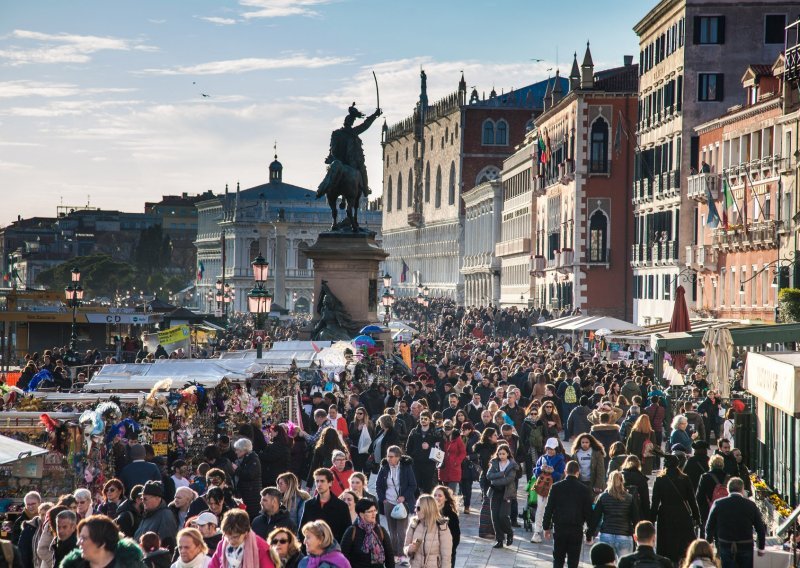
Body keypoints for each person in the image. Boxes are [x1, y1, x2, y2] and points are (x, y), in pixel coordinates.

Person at [321, 101, 382, 200]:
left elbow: (332, 148)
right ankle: (366, 189)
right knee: (363, 170)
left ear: (345, 122)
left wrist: (331, 157)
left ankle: (323, 189)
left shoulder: (336, 133)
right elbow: (365, 125)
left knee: (329, 174)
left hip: (337, 160)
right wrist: (375, 115)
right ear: (351, 123)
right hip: (351, 162)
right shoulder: (352, 132)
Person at [542, 460, 594, 568]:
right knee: (573, 562)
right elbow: (588, 513)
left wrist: (546, 527)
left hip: (560, 528)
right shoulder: (584, 489)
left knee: (558, 559)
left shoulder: (556, 487)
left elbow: (549, 508)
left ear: (565, 471)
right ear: (578, 472)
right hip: (576, 529)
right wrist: (589, 533)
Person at [705, 477, 766, 568]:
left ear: (728, 489)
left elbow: (709, 526)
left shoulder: (718, 504)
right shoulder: (750, 505)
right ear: (742, 489)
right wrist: (761, 548)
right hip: (745, 545)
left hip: (726, 544)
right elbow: (760, 528)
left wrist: (709, 543)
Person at [651, 454, 701, 564]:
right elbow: (692, 500)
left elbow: (655, 502)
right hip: (682, 513)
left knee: (666, 544)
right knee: (682, 545)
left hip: (665, 515)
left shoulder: (660, 480)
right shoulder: (685, 478)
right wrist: (697, 517)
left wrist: (651, 519)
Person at [375, 446, 416, 566]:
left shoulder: (406, 467)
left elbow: (412, 485)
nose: (389, 458)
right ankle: (393, 554)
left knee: (401, 531)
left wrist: (404, 497)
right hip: (388, 502)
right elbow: (378, 485)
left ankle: (402, 554)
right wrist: (383, 499)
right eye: (388, 456)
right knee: (391, 531)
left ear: (398, 457)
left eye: (391, 456)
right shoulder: (384, 467)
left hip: (402, 503)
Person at [59, 514, 146, 568]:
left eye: (84, 538)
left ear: (101, 543)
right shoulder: (73, 565)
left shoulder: (130, 565)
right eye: (79, 537)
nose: (78, 542)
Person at [587, 471, 639, 558]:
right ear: (622, 481)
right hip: (624, 535)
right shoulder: (629, 498)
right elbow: (636, 519)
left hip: (607, 534)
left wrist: (589, 534)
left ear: (609, 481)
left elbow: (596, 518)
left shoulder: (603, 497)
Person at [300, 469, 353, 545]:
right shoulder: (309, 504)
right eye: (317, 481)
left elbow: (347, 532)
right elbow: (302, 529)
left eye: (322, 481)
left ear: (330, 483)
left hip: (333, 550)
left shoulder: (341, 506)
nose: (319, 484)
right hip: (312, 549)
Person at [208, 509, 275, 568]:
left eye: (235, 537)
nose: (231, 541)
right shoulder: (222, 545)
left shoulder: (261, 548)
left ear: (246, 532)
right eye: (228, 536)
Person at [340, 499, 395, 568]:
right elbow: (343, 556)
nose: (374, 514)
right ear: (361, 514)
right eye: (370, 512)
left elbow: (389, 555)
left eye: (375, 511)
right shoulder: (352, 531)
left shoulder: (380, 529)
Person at [531, 438, 566, 543]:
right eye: (548, 449)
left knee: (555, 510)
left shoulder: (560, 460)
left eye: (552, 449)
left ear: (556, 448)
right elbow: (535, 472)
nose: (550, 451)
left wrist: (552, 472)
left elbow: (560, 475)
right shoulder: (542, 458)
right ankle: (537, 532)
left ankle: (556, 530)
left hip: (555, 489)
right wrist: (541, 469)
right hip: (542, 488)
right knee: (540, 509)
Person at [403, 494, 451, 568]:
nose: (415, 510)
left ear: (427, 509)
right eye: (415, 507)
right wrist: (409, 549)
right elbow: (406, 547)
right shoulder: (414, 523)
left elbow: (446, 558)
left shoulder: (442, 526)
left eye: (418, 508)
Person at [485, 443, 518, 549]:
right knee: (494, 517)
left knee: (503, 516)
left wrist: (496, 481)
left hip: (506, 493)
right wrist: (501, 474)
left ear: (508, 454)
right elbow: (489, 476)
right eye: (499, 454)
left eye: (503, 454)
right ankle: (499, 540)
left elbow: (509, 479)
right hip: (495, 493)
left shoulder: (512, 465)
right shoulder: (494, 463)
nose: (501, 456)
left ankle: (509, 532)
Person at [405, 411, 443, 495]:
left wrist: (430, 447)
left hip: (429, 463)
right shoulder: (414, 431)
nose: (423, 420)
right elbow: (408, 447)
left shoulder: (435, 432)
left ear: (430, 420)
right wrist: (411, 457)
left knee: (428, 486)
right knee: (415, 485)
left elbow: (440, 447)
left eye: (425, 419)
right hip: (416, 462)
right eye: (421, 418)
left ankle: (427, 504)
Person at [135, 482, 179, 552]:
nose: (142, 501)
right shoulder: (147, 514)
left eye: (145, 498)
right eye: (142, 498)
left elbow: (167, 546)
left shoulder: (165, 516)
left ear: (157, 498)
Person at [696, 455, 729, 538]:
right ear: (722, 465)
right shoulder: (728, 477)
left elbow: (699, 496)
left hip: (708, 510)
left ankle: (706, 548)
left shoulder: (705, 477)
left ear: (710, 465)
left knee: (707, 532)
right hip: (724, 511)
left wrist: (698, 513)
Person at [232, 437, 262, 520]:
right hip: (247, 495)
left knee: (251, 518)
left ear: (244, 450)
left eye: (238, 450)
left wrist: (237, 469)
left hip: (252, 497)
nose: (236, 452)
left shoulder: (253, 459)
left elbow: (250, 475)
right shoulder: (245, 459)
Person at [431, 487, 459, 568]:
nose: (437, 498)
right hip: (431, 555)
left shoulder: (452, 516)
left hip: (446, 555)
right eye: (435, 495)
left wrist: (448, 552)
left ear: (446, 498)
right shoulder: (429, 513)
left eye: (440, 496)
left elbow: (456, 538)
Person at [437, 420, 465, 495]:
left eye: (449, 429)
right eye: (445, 429)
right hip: (443, 467)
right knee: (444, 493)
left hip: (454, 468)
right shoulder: (439, 437)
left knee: (451, 493)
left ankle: (452, 506)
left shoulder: (457, 438)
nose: (447, 431)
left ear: (452, 429)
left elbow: (463, 452)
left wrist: (456, 461)